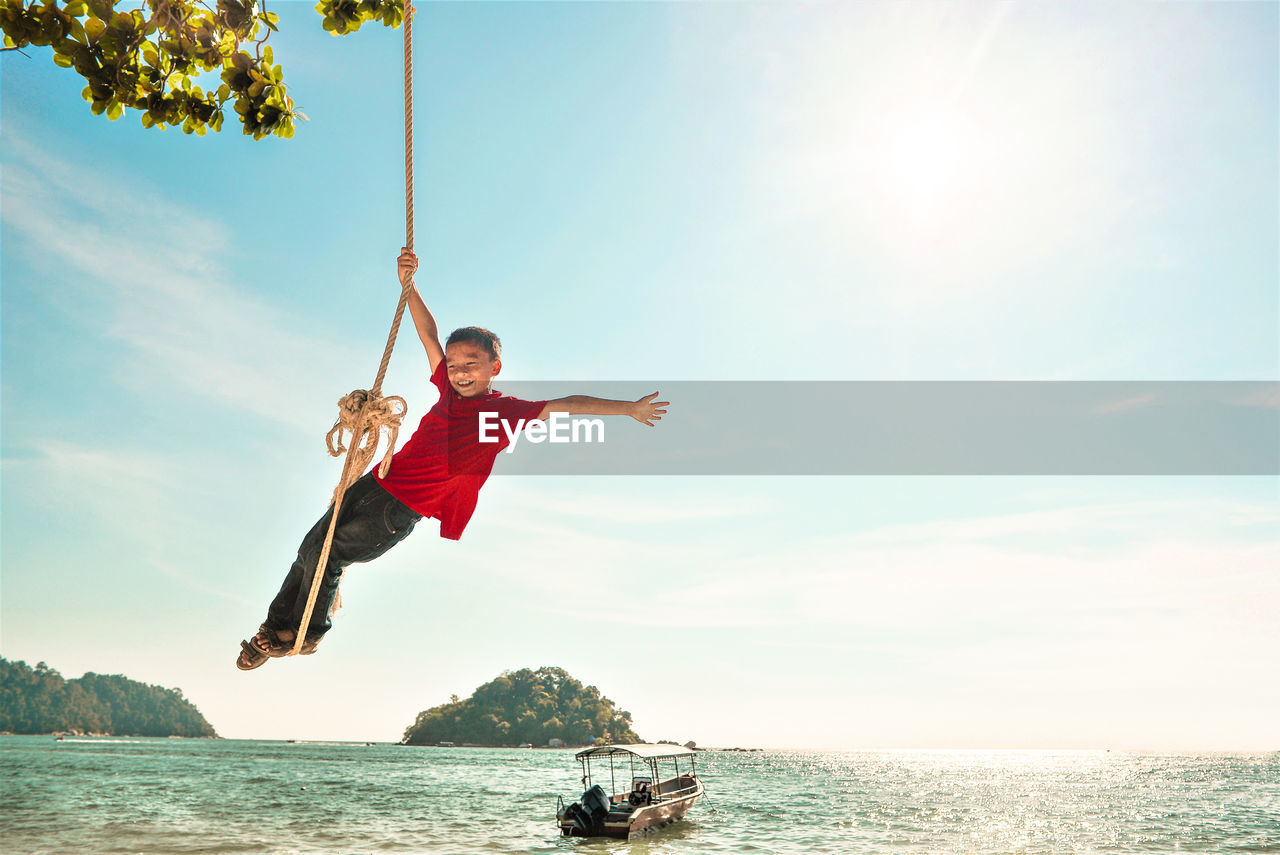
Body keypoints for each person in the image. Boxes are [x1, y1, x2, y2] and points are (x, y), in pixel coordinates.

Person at [235, 248, 669, 670]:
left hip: (398, 509)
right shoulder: (446, 387)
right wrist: (410, 286)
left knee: (330, 558)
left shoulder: (507, 413)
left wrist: (628, 408)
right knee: (308, 550)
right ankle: (273, 630)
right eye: (456, 362)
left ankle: (306, 634)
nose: (460, 371)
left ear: (495, 367)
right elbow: (427, 333)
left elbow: (568, 404)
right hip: (376, 481)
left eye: (473, 363)